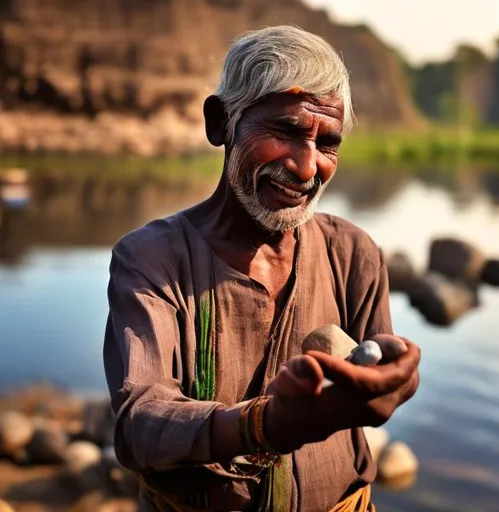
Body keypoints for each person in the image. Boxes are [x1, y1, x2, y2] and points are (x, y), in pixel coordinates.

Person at [103, 25, 421, 512]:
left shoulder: (354, 254)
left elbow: (380, 374)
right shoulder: (151, 260)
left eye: (328, 143)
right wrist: (265, 425)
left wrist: (398, 382)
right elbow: (139, 424)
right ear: (221, 123)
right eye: (287, 131)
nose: (307, 167)